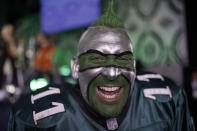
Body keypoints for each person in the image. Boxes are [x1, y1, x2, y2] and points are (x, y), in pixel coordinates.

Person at [8, 1, 194, 130]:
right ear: (75, 67)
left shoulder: (168, 101)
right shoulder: (37, 117)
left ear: (134, 67)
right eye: (97, 59)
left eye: (122, 59)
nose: (112, 73)